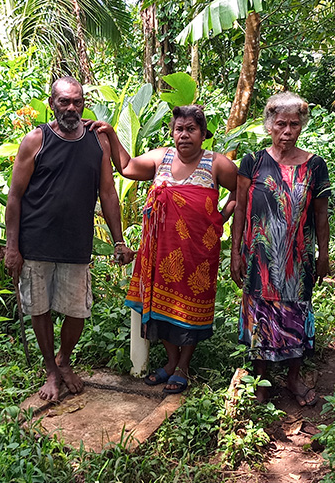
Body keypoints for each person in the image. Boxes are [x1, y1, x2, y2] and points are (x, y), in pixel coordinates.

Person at [4, 76, 135, 402]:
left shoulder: (98, 142)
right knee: (41, 309)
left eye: (77, 101)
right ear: (52, 104)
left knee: (78, 311)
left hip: (76, 242)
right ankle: (51, 369)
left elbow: (107, 193)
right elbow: (15, 197)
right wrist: (12, 247)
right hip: (36, 243)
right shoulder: (36, 140)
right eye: (64, 101)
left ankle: (64, 359)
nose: (72, 108)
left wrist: (119, 240)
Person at [97, 105, 238, 394]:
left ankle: (183, 367)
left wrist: (220, 217)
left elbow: (243, 188)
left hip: (197, 253)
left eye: (191, 129)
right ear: (173, 132)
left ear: (202, 133)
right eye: (179, 129)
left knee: (190, 311)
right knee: (159, 308)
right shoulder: (161, 157)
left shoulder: (217, 164)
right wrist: (111, 133)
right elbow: (125, 167)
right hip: (158, 252)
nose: (184, 135)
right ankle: (171, 362)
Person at [230, 92, 330, 405]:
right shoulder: (253, 162)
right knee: (260, 315)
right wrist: (235, 252)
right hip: (259, 260)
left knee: (296, 313)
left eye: (294, 124)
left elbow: (321, 214)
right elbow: (241, 209)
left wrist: (323, 254)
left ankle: (293, 378)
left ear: (302, 127)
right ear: (269, 125)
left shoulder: (315, 166)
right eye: (281, 124)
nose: (287, 131)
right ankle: (262, 381)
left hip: (297, 261)